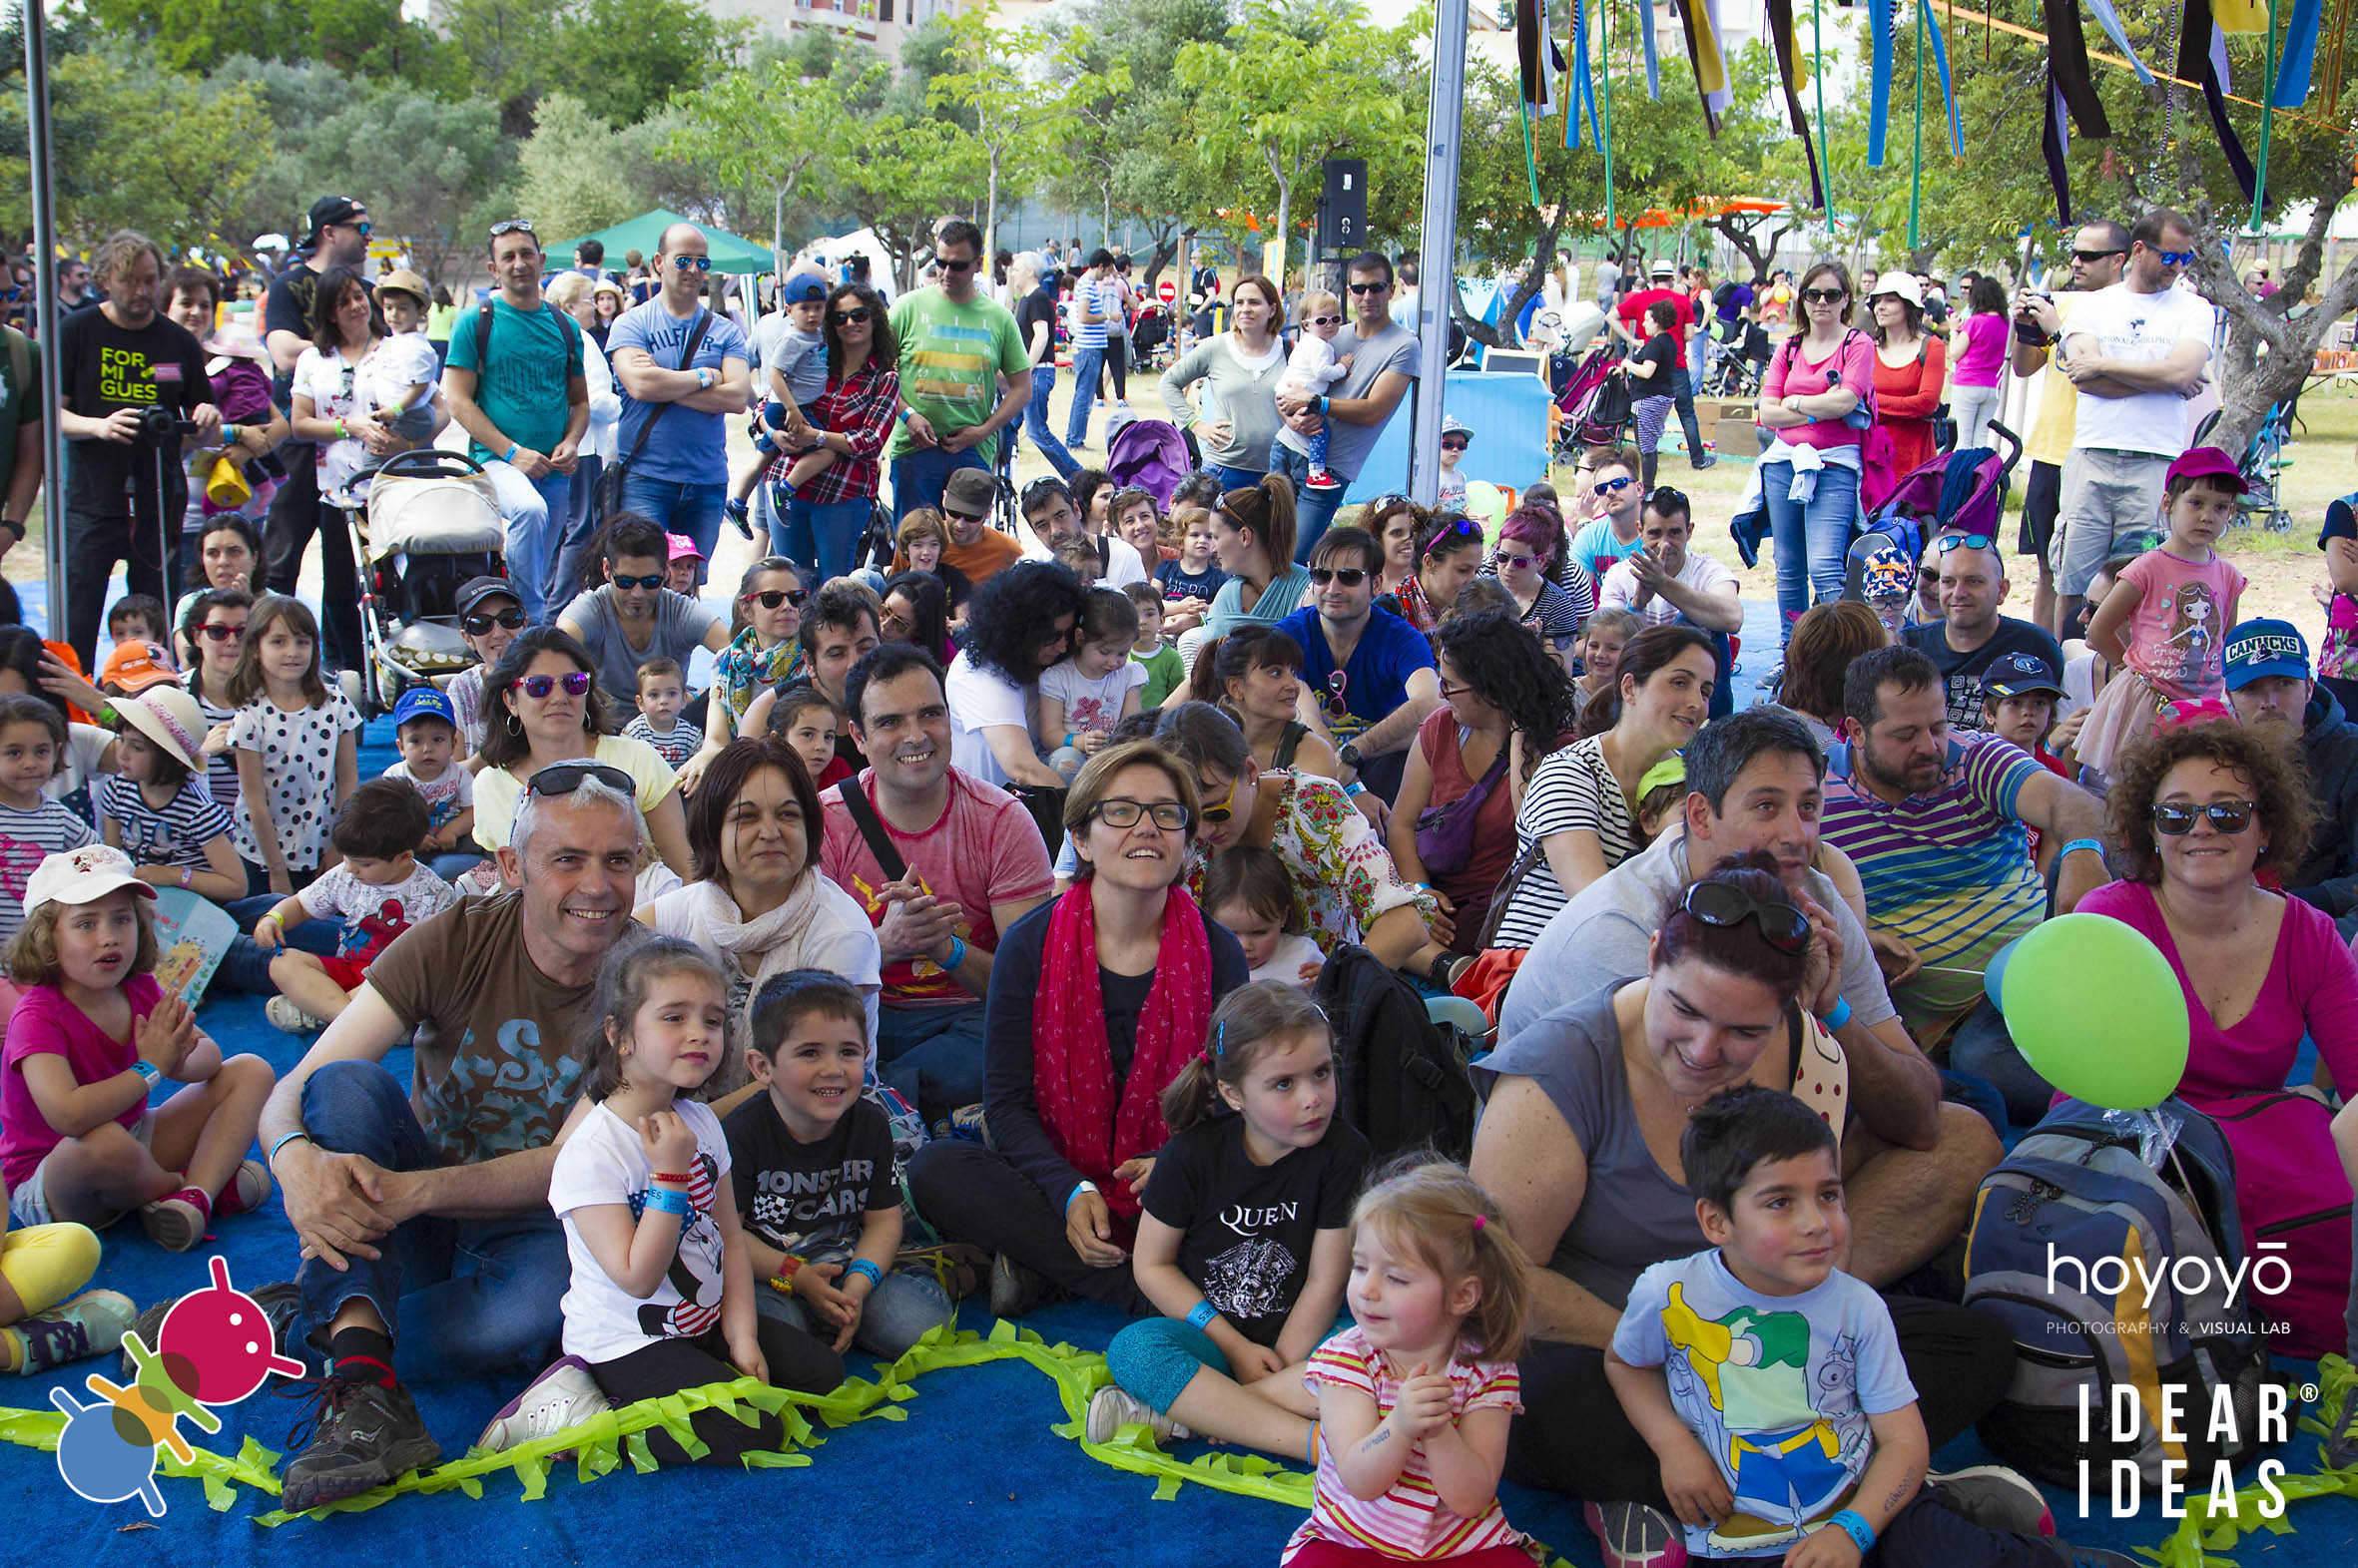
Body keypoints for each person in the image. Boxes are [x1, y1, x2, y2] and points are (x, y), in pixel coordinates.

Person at [1469, 859, 2016, 1555]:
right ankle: (1852, 1480)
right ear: (1651, 960)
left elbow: (1894, 1138)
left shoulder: (1795, 1040)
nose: (1705, 1050)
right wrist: (1685, 1353)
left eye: (1743, 1032)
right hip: (1611, 1349)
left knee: (1978, 1346)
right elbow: (1499, 1278)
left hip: (1759, 1334)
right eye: (1685, 1010)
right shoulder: (1557, 1071)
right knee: (1534, 1409)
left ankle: (1768, 1490)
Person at [258, 765, 651, 1507]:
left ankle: (315, 1324)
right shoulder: (454, 939)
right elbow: (295, 1088)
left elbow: (566, 1165)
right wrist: (293, 1158)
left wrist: (413, 1193)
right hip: (410, 1211)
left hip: (542, 1226)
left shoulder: (647, 985)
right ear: (511, 867)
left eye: (619, 860)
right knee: (343, 1089)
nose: (597, 885)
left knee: (534, 1317)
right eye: (568, 858)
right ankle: (367, 1383)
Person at [1607, 1085, 2107, 1567]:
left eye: (1828, 1194)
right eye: (1780, 1202)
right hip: (1741, 1541)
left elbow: (1904, 1441)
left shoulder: (1858, 1307)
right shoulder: (1667, 1294)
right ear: (1716, 1222)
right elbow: (1626, 1365)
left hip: (1864, 1512)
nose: (1817, 1222)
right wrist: (1673, 1446)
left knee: (1946, 1553)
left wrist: (1854, 1529)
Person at [905, 743, 1247, 1316]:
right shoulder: (1029, 945)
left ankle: (1049, 1267)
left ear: (1187, 842)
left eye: (1167, 814)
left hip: (1175, 1182)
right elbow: (1008, 1104)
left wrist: (1176, 1162)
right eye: (1121, 811)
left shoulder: (1218, 950)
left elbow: (1232, 1099)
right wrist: (1071, 1189)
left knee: (1277, 1175)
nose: (1147, 828)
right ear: (1083, 839)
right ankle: (1143, 1292)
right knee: (936, 1169)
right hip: (1055, 1176)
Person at [2077, 720, 2358, 1355]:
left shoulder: (2309, 935)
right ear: (2150, 830)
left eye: (2228, 813)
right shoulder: (2109, 921)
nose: (2200, 828)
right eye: (2175, 815)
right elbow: (2083, 1090)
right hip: (2140, 1144)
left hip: (2258, 1155)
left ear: (2266, 829)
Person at [499, 938, 840, 1461]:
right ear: (620, 1036)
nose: (699, 1034)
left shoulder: (701, 1122)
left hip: (698, 1323)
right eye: (674, 1018)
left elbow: (730, 1239)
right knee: (755, 1432)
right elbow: (636, 1277)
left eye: (711, 1020)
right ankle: (580, 1413)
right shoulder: (592, 1152)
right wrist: (668, 1177)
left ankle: (705, 1371)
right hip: (625, 1345)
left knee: (823, 1378)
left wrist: (742, 1337)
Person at [1823, 645, 2111, 1123]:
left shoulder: (1975, 757)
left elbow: (2075, 804)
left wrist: (2084, 853)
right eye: (1905, 734)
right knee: (1982, 1066)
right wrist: (1858, 934)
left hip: (2046, 968)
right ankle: (2125, 1103)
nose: (1931, 746)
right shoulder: (1817, 794)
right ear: (1855, 731)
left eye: (1936, 727)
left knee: (2111, 855)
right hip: (1956, 1023)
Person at [1089, 981, 1368, 1456]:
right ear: (1232, 1093)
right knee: (1135, 1349)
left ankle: (1207, 1415)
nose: (1313, 1098)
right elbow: (1152, 1266)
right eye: (1284, 1083)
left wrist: (1282, 1362)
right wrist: (1235, 1349)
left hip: (1304, 1343)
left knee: (1387, 1355)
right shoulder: (1190, 1155)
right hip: (1210, 1340)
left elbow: (1326, 1279)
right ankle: (1317, 1444)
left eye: (1322, 1073)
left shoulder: (1344, 1152)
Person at [818, 644, 1051, 1123]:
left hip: (967, 1021)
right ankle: (902, 1104)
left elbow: (1030, 983)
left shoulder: (1003, 821)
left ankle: (873, 1101)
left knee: (1020, 1040)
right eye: (890, 722)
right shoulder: (825, 821)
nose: (916, 736)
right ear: (857, 737)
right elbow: (802, 978)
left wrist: (948, 950)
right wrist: (884, 944)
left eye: (930, 714)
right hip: (859, 1016)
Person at [1, 843, 273, 1249]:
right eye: (86, 924)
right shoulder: (36, 1015)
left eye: (122, 919)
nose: (109, 937)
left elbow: (210, 1058)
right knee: (103, 1141)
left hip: (132, 1137)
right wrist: (150, 1068)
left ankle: (193, 1198)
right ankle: (172, 1187)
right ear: (45, 940)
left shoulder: (140, 987)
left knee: (251, 1069)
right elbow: (69, 1117)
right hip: (58, 1174)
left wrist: (176, 1057)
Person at [1284, 1160, 1536, 1568]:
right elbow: (1359, 1480)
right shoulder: (1346, 1357)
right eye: (1360, 1266)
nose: (1366, 1290)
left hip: (1461, 1545)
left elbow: (1472, 1500)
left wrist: (1439, 1432)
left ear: (1461, 1296)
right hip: (1351, 1539)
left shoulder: (1488, 1371)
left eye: (1396, 1278)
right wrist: (1400, 1426)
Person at [722, 968, 954, 1358]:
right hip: (771, 1277)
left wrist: (858, 1288)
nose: (833, 1069)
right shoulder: (742, 1133)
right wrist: (799, 1279)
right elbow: (730, 1239)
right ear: (762, 1067)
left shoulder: (870, 1122)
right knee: (783, 1339)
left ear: (865, 1054)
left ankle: (843, 1314)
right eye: (810, 1052)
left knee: (918, 1327)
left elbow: (882, 1220)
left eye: (847, 1052)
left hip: (846, 1268)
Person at [637, 736, 881, 1082]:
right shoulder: (698, 905)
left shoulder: (841, 933)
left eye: (787, 814)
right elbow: (613, 948)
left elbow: (800, 1081)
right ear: (712, 831)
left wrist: (689, 1126)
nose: (770, 832)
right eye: (746, 817)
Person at [1156, 704, 1456, 978]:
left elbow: (1405, 924)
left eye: (1217, 810)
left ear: (1249, 771)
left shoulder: (1315, 807)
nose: (1205, 832)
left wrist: (1333, 982)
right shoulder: (1172, 827)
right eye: (1191, 818)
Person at [1489, 627, 1716, 951]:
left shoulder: (1693, 780)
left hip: (1641, 966)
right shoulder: (1569, 774)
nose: (1696, 702)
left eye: (1706, 691)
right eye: (1679, 682)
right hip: (1538, 966)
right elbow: (1595, 908)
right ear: (1630, 688)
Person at [57, 232, 219, 666]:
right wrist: (99, 426)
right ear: (106, 279)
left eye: (150, 281)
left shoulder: (177, 341)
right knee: (80, 611)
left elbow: (200, 420)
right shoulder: (76, 331)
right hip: (92, 498)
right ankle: (74, 703)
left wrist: (206, 420)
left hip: (158, 499)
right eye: (131, 281)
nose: (142, 292)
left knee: (154, 612)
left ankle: (152, 696)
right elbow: (54, 414)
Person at [2052, 209, 2213, 638]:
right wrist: (2162, 379)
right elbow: (2085, 380)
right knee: (2073, 578)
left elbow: (2183, 371)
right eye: (2169, 257)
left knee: (2144, 578)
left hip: (2155, 460)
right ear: (2138, 251)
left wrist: (2106, 364)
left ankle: (2131, 677)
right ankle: (2072, 669)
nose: (2177, 268)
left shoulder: (2195, 310)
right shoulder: (2094, 305)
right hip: (2092, 454)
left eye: (2186, 259)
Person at [1391, 610, 1578, 953]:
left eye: (1449, 684)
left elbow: (1532, 826)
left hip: (1506, 908)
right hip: (1436, 896)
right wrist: (1420, 892)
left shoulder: (1556, 748)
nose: (1442, 694)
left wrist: (1521, 735)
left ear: (1492, 690)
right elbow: (1401, 823)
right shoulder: (1440, 728)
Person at [440, 220, 590, 625]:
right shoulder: (477, 321)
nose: (519, 264)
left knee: (542, 563)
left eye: (526, 254)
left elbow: (580, 402)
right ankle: (528, 623)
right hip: (496, 461)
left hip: (554, 469)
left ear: (541, 261)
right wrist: (511, 451)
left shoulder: (564, 326)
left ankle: (514, 631)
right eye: (508, 257)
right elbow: (457, 400)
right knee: (529, 512)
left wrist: (573, 441)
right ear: (494, 268)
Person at [2073, 447, 2246, 776]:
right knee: (2141, 786)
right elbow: (2099, 629)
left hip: (2205, 705)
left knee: (2194, 781)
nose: (2207, 516)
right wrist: (2133, 672)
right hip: (2151, 702)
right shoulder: (2148, 567)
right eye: (2196, 503)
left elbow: (2222, 639)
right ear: (2168, 503)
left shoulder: (2228, 576)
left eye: (2220, 507)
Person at [468, 631, 691, 882]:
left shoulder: (638, 758)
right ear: (510, 700)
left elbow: (684, 869)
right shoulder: (489, 785)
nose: (559, 697)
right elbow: (511, 887)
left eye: (573, 683)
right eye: (538, 686)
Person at [254, 779, 458, 1034]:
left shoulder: (436, 895)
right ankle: (359, 1024)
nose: (350, 868)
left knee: (407, 984)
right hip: (349, 974)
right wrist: (275, 918)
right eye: (346, 857)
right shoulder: (346, 875)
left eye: (364, 863)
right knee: (282, 963)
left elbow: (441, 967)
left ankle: (330, 1015)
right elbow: (301, 905)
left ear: (405, 857)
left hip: (395, 983)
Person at [260, 198, 370, 669]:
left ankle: (342, 664)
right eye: (360, 227)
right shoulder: (289, 284)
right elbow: (282, 350)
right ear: (329, 231)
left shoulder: (368, 287)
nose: (369, 235)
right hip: (303, 438)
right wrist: (336, 349)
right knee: (282, 552)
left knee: (347, 563)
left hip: (357, 451)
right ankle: (263, 652)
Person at [2010, 222, 2132, 638]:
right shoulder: (2059, 304)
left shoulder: (2130, 311)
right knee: (2050, 567)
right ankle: (2045, 655)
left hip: (2105, 453)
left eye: (2089, 256)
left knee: (2112, 571)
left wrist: (2056, 328)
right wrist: (2026, 328)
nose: (2076, 263)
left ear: (2119, 260)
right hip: (2051, 452)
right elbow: (2024, 367)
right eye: (2074, 253)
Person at [607, 222, 753, 560]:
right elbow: (640, 385)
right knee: (642, 580)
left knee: (690, 587)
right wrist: (704, 376)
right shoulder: (632, 323)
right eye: (682, 259)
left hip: (706, 481)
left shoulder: (725, 331)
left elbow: (736, 398)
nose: (693, 269)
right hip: (646, 477)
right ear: (659, 262)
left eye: (702, 262)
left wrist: (663, 384)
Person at [1275, 525, 1442, 803]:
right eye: (1321, 576)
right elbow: (1308, 721)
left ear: (1376, 585)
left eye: (1349, 577)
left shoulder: (1400, 638)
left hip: (1383, 767)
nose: (1333, 588)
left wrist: (1355, 750)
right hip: (1315, 765)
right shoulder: (1289, 635)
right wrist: (1354, 789)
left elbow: (1431, 702)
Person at [1272, 254, 1420, 561]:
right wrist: (1291, 416)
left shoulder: (1404, 345)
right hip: (1288, 449)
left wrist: (1314, 402)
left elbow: (1373, 410)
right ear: (1349, 292)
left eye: (1377, 287)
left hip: (1329, 469)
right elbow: (1288, 387)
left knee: (1293, 558)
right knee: (1266, 551)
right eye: (1360, 288)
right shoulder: (1330, 331)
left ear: (1391, 290)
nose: (1368, 296)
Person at [884, 220, 1030, 521]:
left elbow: (1022, 387)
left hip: (971, 451)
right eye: (941, 263)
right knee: (915, 545)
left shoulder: (999, 318)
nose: (947, 273)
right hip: (913, 448)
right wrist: (908, 415)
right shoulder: (906, 308)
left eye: (958, 265)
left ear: (978, 264)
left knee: (967, 549)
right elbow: (876, 375)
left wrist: (982, 431)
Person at [2219, 621, 2358, 926]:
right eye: (2251, 689)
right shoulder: (2215, 759)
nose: (2268, 703)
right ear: (2230, 699)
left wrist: (2300, 906)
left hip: (2324, 921)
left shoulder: (2350, 754)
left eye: (2283, 683)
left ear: (2308, 687)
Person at [229, 596, 362, 901]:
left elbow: (348, 781)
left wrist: (337, 845)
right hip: (262, 855)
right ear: (254, 650)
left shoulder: (335, 704)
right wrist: (276, 870)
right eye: (278, 642)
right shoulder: (250, 717)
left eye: (302, 642)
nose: (292, 652)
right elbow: (255, 801)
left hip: (321, 845)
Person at [769, 281, 900, 583]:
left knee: (834, 585)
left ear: (875, 318)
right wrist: (772, 434)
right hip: (787, 489)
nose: (850, 323)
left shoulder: (884, 378)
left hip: (843, 494)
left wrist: (817, 437)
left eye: (859, 315)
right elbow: (766, 404)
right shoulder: (813, 357)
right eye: (840, 317)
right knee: (791, 583)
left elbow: (871, 440)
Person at [555, 513, 730, 709]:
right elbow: (551, 656)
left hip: (670, 728)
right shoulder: (590, 609)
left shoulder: (680, 611)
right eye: (625, 582)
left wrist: (701, 698)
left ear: (665, 572)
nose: (637, 593)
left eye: (650, 582)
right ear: (606, 569)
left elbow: (742, 652)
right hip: (603, 727)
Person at [90, 685, 247, 902]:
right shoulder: (117, 791)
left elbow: (236, 885)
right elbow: (112, 855)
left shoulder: (198, 811)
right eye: (122, 740)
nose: (122, 753)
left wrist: (170, 875)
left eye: (137, 747)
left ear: (169, 758)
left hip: (193, 910)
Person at [946, 561, 1089, 793]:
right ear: (1019, 630)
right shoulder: (978, 670)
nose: (1063, 646)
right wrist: (1087, 814)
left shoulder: (1042, 661)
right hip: (988, 812)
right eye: (1052, 636)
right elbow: (1022, 769)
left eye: (1068, 633)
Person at [1902, 535, 2068, 731]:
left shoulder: (2035, 647)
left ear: (2002, 590)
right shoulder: (1909, 647)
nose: (1958, 593)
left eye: (1973, 581)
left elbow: (2053, 727)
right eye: (1948, 582)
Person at [741, 583, 883, 787]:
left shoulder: (904, 702)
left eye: (866, 648)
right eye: (836, 654)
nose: (855, 663)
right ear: (809, 663)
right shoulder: (767, 711)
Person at [682, 556, 807, 789]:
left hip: (796, 769)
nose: (788, 606)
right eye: (773, 599)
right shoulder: (726, 660)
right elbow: (716, 739)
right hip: (738, 765)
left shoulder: (813, 656)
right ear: (746, 609)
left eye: (796, 598)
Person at [539, 271, 625, 606]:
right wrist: (634, 405)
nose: (596, 307)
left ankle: (549, 597)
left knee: (560, 529)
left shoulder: (552, 337)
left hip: (562, 445)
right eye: (590, 299)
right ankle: (559, 604)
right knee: (580, 529)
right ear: (571, 305)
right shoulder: (582, 340)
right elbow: (597, 402)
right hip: (585, 447)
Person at [1161, 274, 1289, 492]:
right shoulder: (1215, 347)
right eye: (1239, 302)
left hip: (1276, 472)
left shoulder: (1290, 350)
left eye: (1254, 302)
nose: (1245, 309)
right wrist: (1195, 425)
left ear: (1272, 309)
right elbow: (1168, 382)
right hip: (1224, 469)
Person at [1190, 626, 1340, 781]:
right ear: (1235, 687)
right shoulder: (1199, 742)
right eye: (1276, 673)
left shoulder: (1314, 751)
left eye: (1293, 672)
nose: (1293, 685)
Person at [1614, 259, 1715, 477]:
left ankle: (1646, 454)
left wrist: (1632, 340)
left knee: (1643, 411)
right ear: (1672, 278)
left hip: (1647, 363)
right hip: (1675, 363)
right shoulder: (1682, 300)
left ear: (1652, 279)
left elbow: (1611, 316)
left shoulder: (1642, 299)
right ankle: (1697, 458)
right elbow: (1689, 334)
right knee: (1686, 412)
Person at [1038, 588, 1147, 779]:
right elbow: (1049, 734)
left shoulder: (1129, 673)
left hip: (1112, 757)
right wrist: (1078, 741)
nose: (1114, 662)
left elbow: (1131, 728)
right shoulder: (1058, 677)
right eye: (1105, 652)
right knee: (1067, 759)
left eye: (1122, 653)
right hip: (1072, 755)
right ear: (1080, 638)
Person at [1199, 477, 1317, 654]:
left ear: (1244, 536)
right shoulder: (1229, 593)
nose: (1212, 548)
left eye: (1215, 537)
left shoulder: (1309, 591)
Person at [1863, 272, 1948, 511]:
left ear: (1909, 306)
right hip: (1872, 458)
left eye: (1890, 300)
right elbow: (1851, 397)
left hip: (1914, 462)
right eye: (1877, 301)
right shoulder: (1867, 347)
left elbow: (1927, 403)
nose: (1881, 307)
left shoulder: (1931, 346)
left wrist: (1871, 402)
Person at [381, 686, 474, 876]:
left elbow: (473, 811)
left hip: (452, 843)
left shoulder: (460, 775)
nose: (427, 748)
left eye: (438, 740)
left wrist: (452, 831)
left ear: (453, 744)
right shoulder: (394, 777)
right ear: (401, 747)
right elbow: (387, 819)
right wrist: (412, 837)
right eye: (415, 741)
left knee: (476, 847)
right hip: (408, 845)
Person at [1482, 507, 1590, 671]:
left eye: (1520, 562)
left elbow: (1560, 678)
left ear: (1541, 562)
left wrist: (1528, 648)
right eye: (1502, 557)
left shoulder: (1558, 606)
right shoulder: (1482, 591)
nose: (1509, 568)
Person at [1269, 289, 1354, 493]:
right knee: (1321, 433)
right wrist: (1342, 367)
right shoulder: (1320, 346)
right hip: (1300, 396)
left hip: (1286, 392)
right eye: (1322, 320)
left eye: (1335, 319)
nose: (1330, 325)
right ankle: (1316, 473)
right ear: (1306, 324)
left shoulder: (1307, 342)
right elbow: (1322, 371)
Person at [1204, 847, 1326, 986]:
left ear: (1283, 916)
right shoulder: (1205, 964)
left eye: (1259, 932)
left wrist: (1327, 982)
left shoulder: (1303, 956)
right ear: (1210, 920)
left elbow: (1336, 1002)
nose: (1244, 946)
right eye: (1230, 933)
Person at [1006, 252, 1078, 479]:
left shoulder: (1037, 298)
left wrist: (1026, 370)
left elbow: (1041, 336)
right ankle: (1002, 476)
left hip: (1037, 374)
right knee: (1007, 427)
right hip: (1031, 374)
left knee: (1037, 431)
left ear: (1030, 271)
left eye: (1017, 269)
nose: (1012, 274)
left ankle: (1077, 476)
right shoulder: (1026, 299)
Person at [1019, 474, 1150, 589]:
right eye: (1042, 525)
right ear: (1033, 531)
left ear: (1076, 509)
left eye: (1060, 516)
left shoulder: (1122, 556)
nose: (1055, 531)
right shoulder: (1030, 571)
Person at [446, 576, 522, 762]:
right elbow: (454, 775)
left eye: (509, 619)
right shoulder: (462, 689)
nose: (499, 633)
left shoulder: (548, 677)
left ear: (525, 622)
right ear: (467, 638)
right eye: (481, 624)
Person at [1380, 512, 1485, 642]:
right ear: (1429, 563)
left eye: (1476, 571)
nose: (1472, 581)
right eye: (1463, 570)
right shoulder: (1385, 615)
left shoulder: (1471, 618)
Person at [1622, 300, 1683, 493]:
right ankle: (1646, 485)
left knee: (1646, 447)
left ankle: (1648, 488)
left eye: (1647, 320)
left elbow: (1648, 371)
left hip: (1649, 399)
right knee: (1647, 445)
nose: (1643, 324)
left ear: (1657, 322)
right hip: (1659, 397)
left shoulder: (1657, 344)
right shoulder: (1669, 342)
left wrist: (1627, 364)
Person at [933, 466, 1024, 586]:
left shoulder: (1009, 552)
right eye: (954, 513)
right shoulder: (916, 543)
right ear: (944, 499)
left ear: (988, 513)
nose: (960, 524)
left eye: (971, 517)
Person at [1948, 275, 2010, 452]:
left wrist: (1954, 331)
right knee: (1981, 438)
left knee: (1964, 440)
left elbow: (1955, 353)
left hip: (1967, 383)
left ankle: (1961, 478)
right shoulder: (2007, 324)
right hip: (1993, 386)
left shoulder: (1975, 321)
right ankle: (1980, 477)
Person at [621, 658, 702, 770]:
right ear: (641, 703)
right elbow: (625, 768)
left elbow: (699, 769)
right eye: (654, 695)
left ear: (683, 700)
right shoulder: (634, 732)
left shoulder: (691, 735)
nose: (664, 701)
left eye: (671, 693)